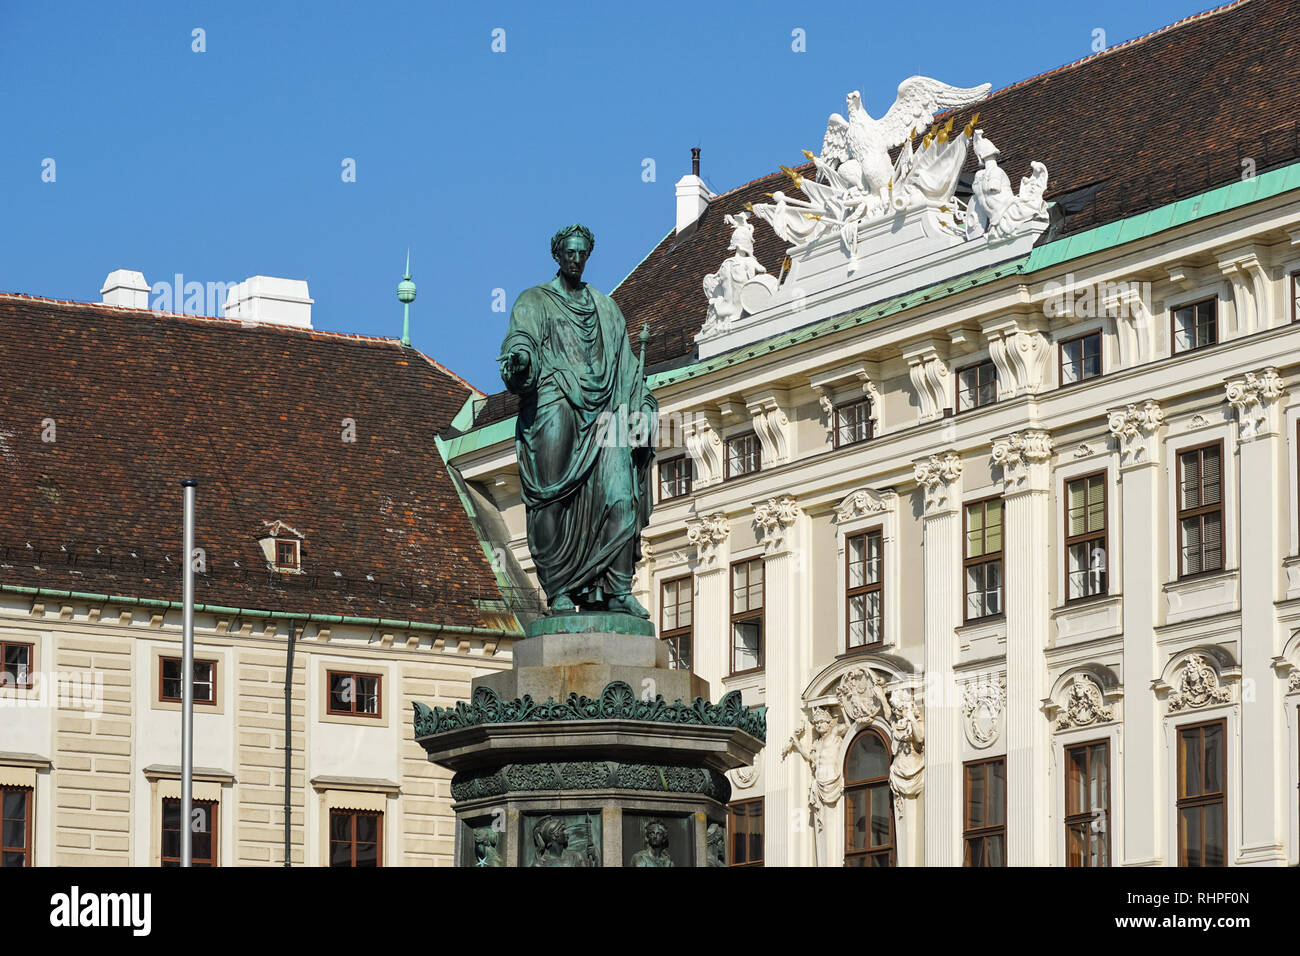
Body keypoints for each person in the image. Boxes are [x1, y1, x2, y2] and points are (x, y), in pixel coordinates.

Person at [500, 224, 658, 617]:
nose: (575, 259)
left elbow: (627, 369)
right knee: (551, 496)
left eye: (581, 253)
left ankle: (618, 588)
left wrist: (645, 407)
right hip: (556, 402)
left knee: (622, 498)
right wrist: (520, 358)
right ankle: (559, 589)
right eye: (568, 252)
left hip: (607, 412)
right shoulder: (533, 301)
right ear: (557, 255)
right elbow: (520, 340)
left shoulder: (606, 308)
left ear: (588, 256)